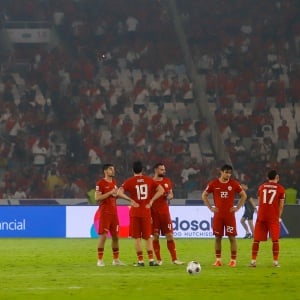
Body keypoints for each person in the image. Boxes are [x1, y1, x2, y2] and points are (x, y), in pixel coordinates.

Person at [117, 161, 164, 267]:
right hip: (146, 211)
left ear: (132, 170)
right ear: (142, 170)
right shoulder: (149, 180)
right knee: (148, 237)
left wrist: (130, 200)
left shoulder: (129, 181)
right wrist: (151, 201)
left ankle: (141, 261)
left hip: (135, 212)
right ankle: (151, 260)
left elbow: (119, 192)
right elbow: (161, 190)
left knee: (137, 238)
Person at [201, 164, 247, 267]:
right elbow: (204, 195)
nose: (228, 175)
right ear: (221, 172)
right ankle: (218, 260)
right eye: (226, 172)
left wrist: (237, 207)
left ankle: (233, 261)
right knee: (218, 237)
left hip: (229, 215)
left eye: (230, 173)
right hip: (218, 215)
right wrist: (210, 207)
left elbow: (244, 195)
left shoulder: (234, 184)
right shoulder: (214, 183)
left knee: (232, 237)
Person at [249, 170, 285, 268]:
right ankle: (275, 262)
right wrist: (278, 217)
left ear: (267, 177)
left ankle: (253, 261)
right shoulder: (281, 189)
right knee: (275, 240)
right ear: (277, 177)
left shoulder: (261, 187)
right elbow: (281, 206)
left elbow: (260, 202)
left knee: (256, 240)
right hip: (273, 217)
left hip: (262, 216)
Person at [151, 163, 184, 265]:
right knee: (155, 236)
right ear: (156, 170)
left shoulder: (167, 181)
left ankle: (174, 259)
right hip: (153, 213)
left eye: (164, 169)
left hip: (165, 213)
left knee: (169, 235)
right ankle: (159, 260)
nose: (164, 171)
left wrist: (169, 196)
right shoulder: (150, 182)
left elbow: (171, 194)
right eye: (161, 169)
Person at [95, 163, 126, 267]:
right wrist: (109, 193)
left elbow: (114, 196)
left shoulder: (114, 182)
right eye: (110, 169)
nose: (113, 171)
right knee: (103, 237)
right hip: (105, 213)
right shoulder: (100, 183)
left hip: (114, 213)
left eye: (113, 169)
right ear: (105, 171)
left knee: (116, 237)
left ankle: (116, 260)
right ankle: (99, 260)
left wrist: (117, 195)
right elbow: (97, 198)